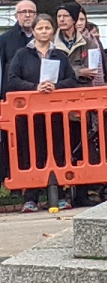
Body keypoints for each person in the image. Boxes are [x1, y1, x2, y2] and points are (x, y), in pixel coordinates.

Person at [7, 13, 79, 212]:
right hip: (30, 115)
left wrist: (54, 86)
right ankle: (31, 198)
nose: (44, 32)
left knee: (58, 152)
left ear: (53, 31)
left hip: (56, 114)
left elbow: (72, 81)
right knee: (32, 153)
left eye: (47, 28)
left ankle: (60, 195)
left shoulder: (60, 55)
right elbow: (12, 80)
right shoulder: (22, 54)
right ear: (34, 31)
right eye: (40, 28)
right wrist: (34, 87)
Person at [52, 2, 105, 87]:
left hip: (83, 90)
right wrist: (79, 72)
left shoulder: (88, 42)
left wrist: (66, 71)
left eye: (66, 16)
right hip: (59, 90)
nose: (61, 19)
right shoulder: (51, 42)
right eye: (59, 16)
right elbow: (51, 71)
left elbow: (91, 71)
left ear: (74, 19)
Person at [0, 0, 37, 94]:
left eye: (31, 12)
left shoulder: (44, 38)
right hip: (13, 92)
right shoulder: (5, 39)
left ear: (36, 15)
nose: (28, 15)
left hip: (37, 90)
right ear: (16, 16)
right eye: (23, 12)